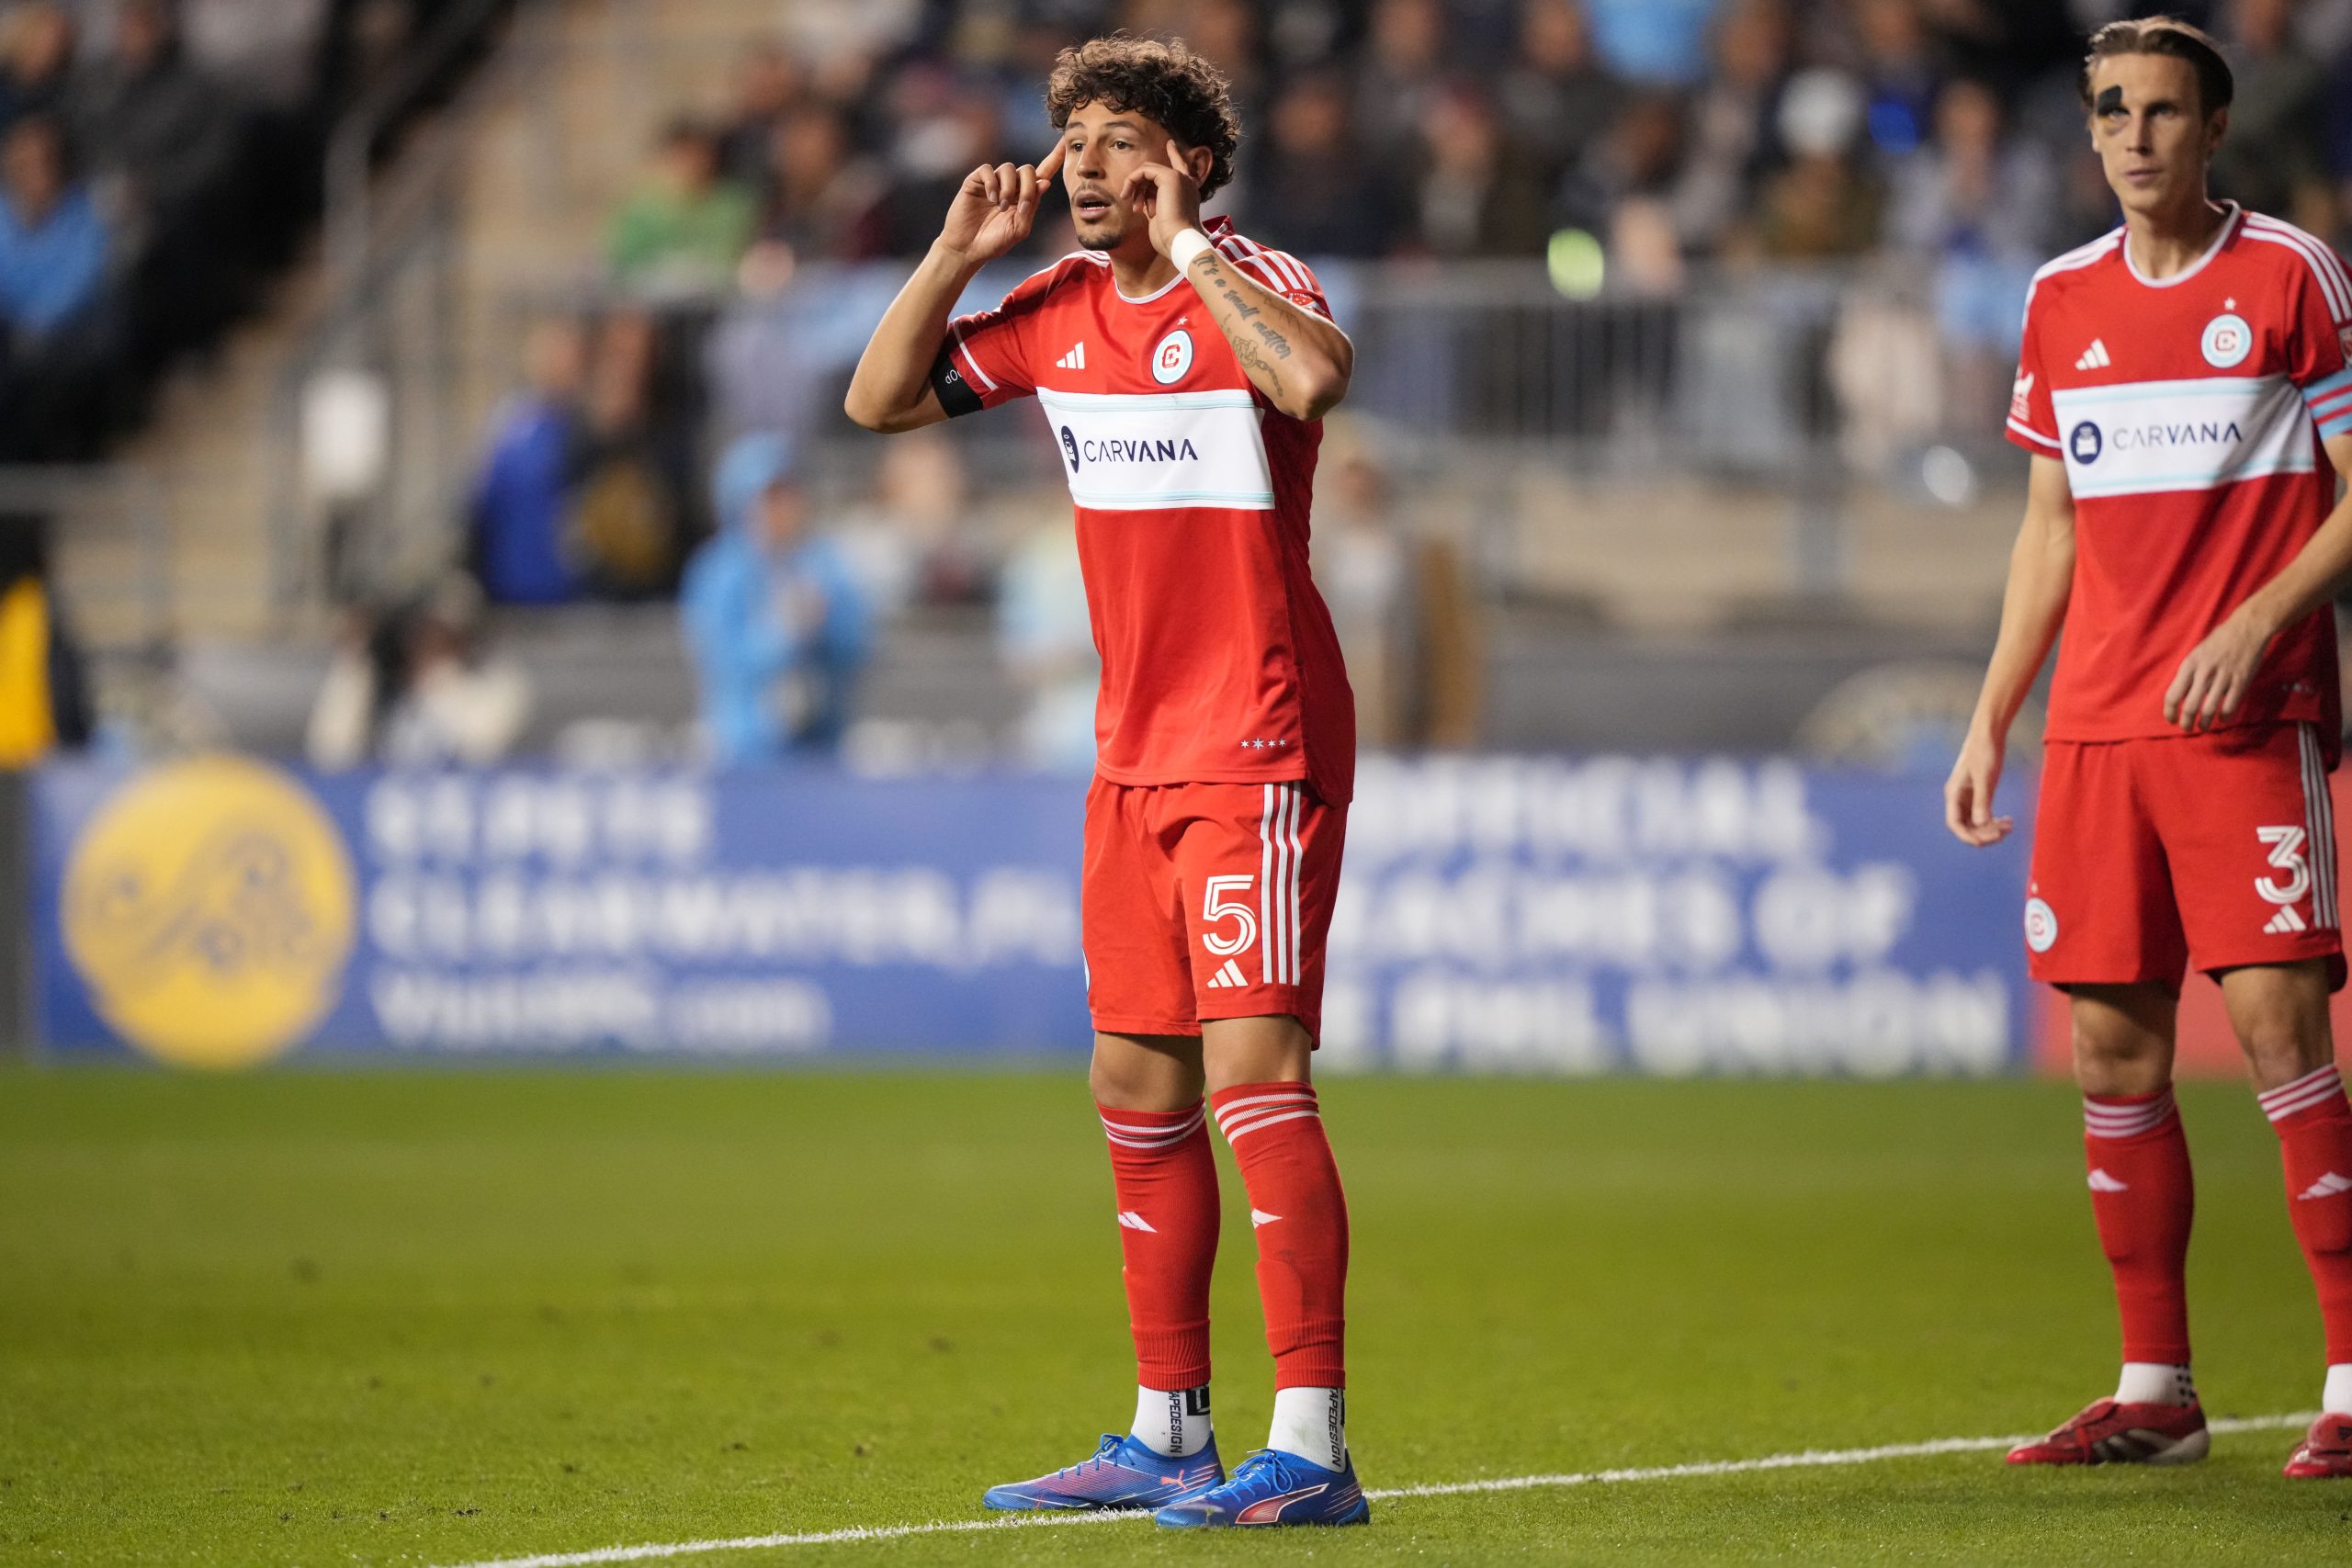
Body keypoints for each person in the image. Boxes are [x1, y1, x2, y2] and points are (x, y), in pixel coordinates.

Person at [845, 34, 1366, 1529]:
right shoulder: (1055, 314)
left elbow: (1317, 380)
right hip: (1132, 748)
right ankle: (1166, 1429)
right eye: (1068, 138)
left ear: (1187, 161)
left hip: (1257, 739)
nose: (1081, 163)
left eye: (1117, 137)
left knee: (1254, 1075)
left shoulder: (1254, 282)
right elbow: (880, 401)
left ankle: (1316, 1442)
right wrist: (952, 254)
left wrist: (1194, 247)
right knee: (1137, 1082)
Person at [1947, 18, 2352, 1481]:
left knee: (2280, 1037)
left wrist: (2263, 619)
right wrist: (1997, 710)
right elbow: (2049, 526)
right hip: (2102, 726)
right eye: (2113, 110)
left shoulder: (2292, 277)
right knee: (2112, 1048)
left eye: (2164, 111)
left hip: (2246, 722)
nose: (2134, 135)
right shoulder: (2060, 300)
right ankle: (2156, 1384)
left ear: (2216, 125)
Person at [679, 433, 872, 762]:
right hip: (745, 752)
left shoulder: (824, 562)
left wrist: (822, 627)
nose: (785, 508)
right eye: (771, 497)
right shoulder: (718, 572)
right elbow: (719, 658)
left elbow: (858, 647)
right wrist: (783, 633)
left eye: (790, 493)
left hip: (822, 746)